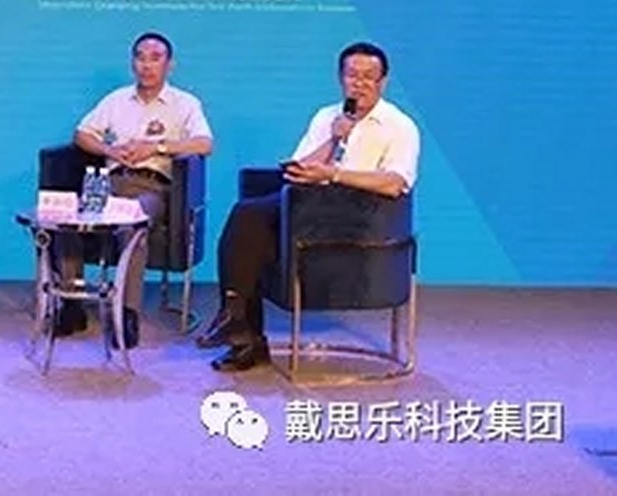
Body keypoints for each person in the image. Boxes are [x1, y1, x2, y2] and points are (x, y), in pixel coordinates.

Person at [198, 41, 419, 372]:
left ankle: (239, 326)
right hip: (310, 207)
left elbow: (395, 183)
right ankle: (241, 328)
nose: (359, 83)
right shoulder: (327, 117)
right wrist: (334, 139)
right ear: (341, 78)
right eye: (352, 75)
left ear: (383, 82)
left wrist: (334, 174)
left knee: (250, 217)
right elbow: (297, 170)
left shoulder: (399, 126)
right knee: (250, 231)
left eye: (368, 77)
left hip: (364, 215)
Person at [64, 31, 213, 347]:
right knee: (66, 219)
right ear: (133, 63)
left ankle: (126, 313)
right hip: (110, 183)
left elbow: (204, 143)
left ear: (170, 65)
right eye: (140, 58)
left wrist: (156, 147)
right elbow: (82, 134)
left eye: (155, 58)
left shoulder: (185, 103)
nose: (147, 65)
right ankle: (71, 305)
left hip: (152, 187)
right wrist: (111, 150)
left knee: (133, 223)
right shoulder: (116, 100)